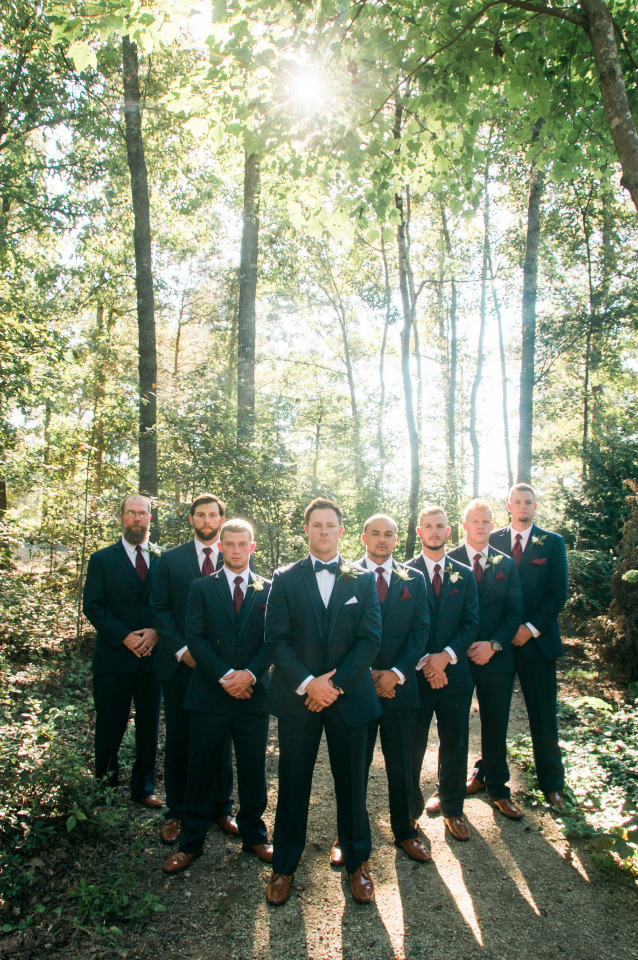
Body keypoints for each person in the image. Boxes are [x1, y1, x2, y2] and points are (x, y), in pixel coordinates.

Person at [264, 498, 382, 905]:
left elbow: (370, 639)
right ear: (307, 530)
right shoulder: (285, 577)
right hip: (300, 700)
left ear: (342, 531)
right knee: (293, 784)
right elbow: (275, 639)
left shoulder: (362, 579)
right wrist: (308, 684)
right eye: (316, 525)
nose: (324, 531)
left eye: (331, 525)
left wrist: (334, 686)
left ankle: (357, 864)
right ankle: (284, 867)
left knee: (352, 785)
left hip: (349, 699)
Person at [163, 520, 273, 874]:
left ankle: (255, 835)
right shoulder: (201, 588)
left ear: (252, 547)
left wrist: (249, 675)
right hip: (210, 692)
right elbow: (195, 637)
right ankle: (191, 841)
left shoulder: (269, 590)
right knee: (201, 770)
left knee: (253, 769)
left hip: (252, 695)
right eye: (231, 544)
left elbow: (273, 640)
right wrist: (226, 676)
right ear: (221, 548)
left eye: (244, 544)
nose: (237, 550)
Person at [151, 494, 236, 846]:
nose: (206, 520)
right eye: (200, 515)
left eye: (212, 515)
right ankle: (178, 812)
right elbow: (158, 608)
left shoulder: (234, 553)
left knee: (222, 737)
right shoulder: (170, 560)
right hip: (182, 667)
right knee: (181, 739)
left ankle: (221, 807)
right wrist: (182, 649)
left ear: (221, 518)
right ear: (191, 520)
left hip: (223, 668)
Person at [354, 513, 430, 862]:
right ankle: (349, 834)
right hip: (357, 686)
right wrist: (367, 673)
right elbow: (340, 632)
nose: (382, 540)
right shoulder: (347, 575)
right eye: (375, 534)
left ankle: (405, 830)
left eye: (388, 534)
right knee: (355, 764)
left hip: (400, 687)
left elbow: (420, 631)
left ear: (397, 539)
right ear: (364, 538)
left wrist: (396, 673)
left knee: (401, 763)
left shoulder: (413, 579)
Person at [490, 483, 569, 808]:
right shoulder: (493, 540)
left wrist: (531, 628)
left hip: (538, 643)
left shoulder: (552, 543)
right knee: (494, 716)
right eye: (517, 502)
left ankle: (552, 783)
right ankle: (489, 774)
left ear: (535, 506)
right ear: (509, 505)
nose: (523, 507)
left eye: (528, 502)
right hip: (501, 644)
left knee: (543, 715)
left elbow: (558, 593)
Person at [83, 494, 163, 808]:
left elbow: (169, 604)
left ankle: (143, 788)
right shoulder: (102, 559)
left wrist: (157, 632)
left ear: (149, 519)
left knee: (148, 726)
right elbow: (93, 606)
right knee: (109, 725)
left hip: (152, 660)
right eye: (130, 513)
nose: (136, 519)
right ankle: (104, 786)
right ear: (121, 518)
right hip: (113, 658)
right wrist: (125, 637)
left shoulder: (162, 558)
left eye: (142, 513)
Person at [447, 499, 524, 819]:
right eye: (474, 521)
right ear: (464, 526)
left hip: (495, 659)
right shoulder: (448, 560)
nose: (481, 526)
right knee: (453, 728)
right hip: (458, 659)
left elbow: (515, 611)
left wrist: (492, 645)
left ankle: (496, 787)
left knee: (496, 724)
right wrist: (459, 647)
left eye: (486, 521)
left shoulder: (506, 564)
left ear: (493, 525)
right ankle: (448, 791)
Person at [407, 505, 479, 841]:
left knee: (455, 741)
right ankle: (409, 812)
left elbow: (471, 623)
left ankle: (452, 807)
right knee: (412, 745)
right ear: (419, 532)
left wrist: (445, 658)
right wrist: (427, 662)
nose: (434, 532)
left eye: (440, 526)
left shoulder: (464, 574)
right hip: (418, 677)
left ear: (448, 532)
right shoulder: (403, 573)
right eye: (427, 526)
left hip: (455, 674)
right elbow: (401, 628)